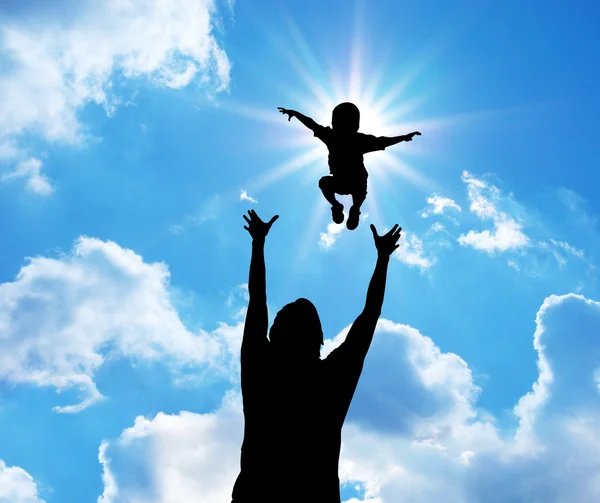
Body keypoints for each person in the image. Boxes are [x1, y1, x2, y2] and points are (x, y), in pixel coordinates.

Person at [231, 209, 402, 503]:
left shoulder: (260, 364)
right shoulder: (331, 377)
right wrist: (382, 258)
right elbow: (369, 316)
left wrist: (258, 243)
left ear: (275, 332)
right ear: (318, 340)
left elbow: (257, 298)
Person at [278, 102, 421, 230]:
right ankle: (338, 205)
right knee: (325, 182)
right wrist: (295, 114)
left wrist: (402, 137)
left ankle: (354, 209)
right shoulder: (341, 137)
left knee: (352, 183)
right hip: (342, 181)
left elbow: (383, 141)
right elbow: (311, 124)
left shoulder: (350, 138)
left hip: (354, 181)